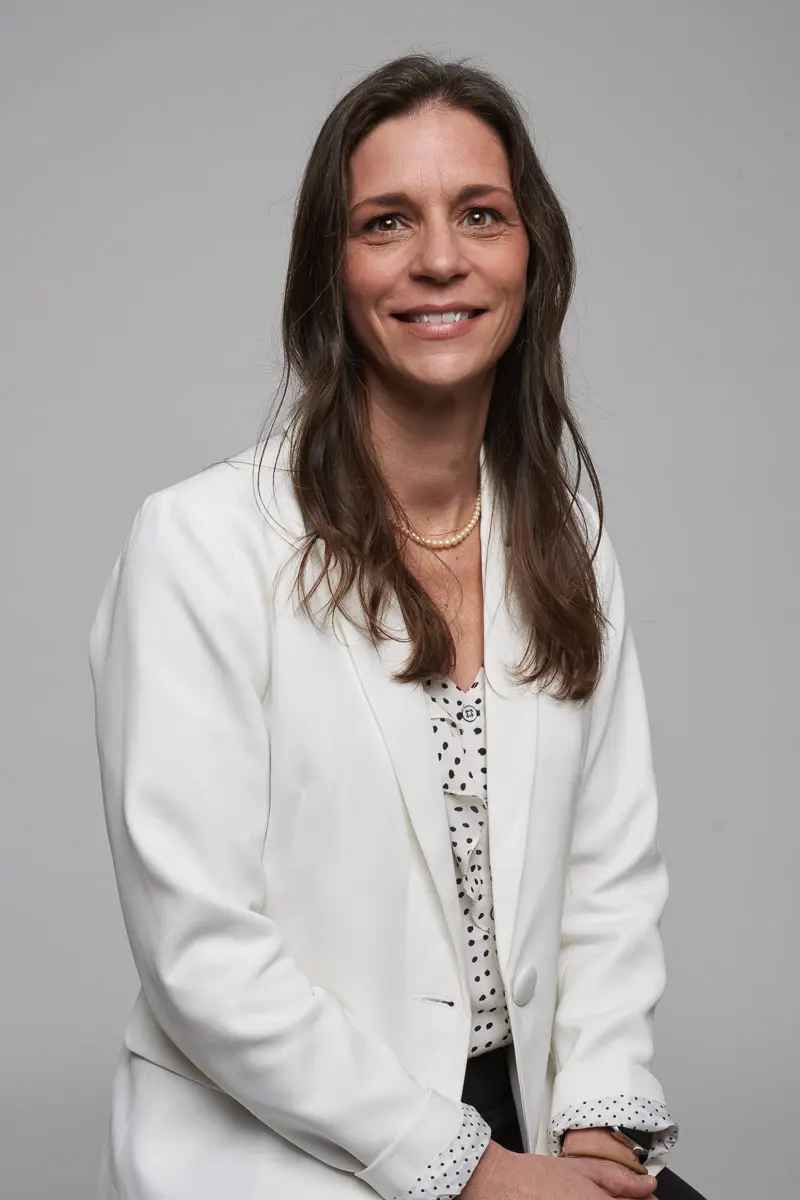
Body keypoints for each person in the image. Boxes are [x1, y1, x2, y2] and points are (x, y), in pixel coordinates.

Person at [88, 53, 707, 1200]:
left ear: (531, 255)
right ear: (329, 269)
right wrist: (470, 1173)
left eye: (479, 214)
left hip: (528, 1117)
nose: (438, 259)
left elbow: (606, 876)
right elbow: (203, 956)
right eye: (386, 221)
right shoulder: (199, 545)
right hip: (279, 1146)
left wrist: (595, 1131)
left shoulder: (563, 539)